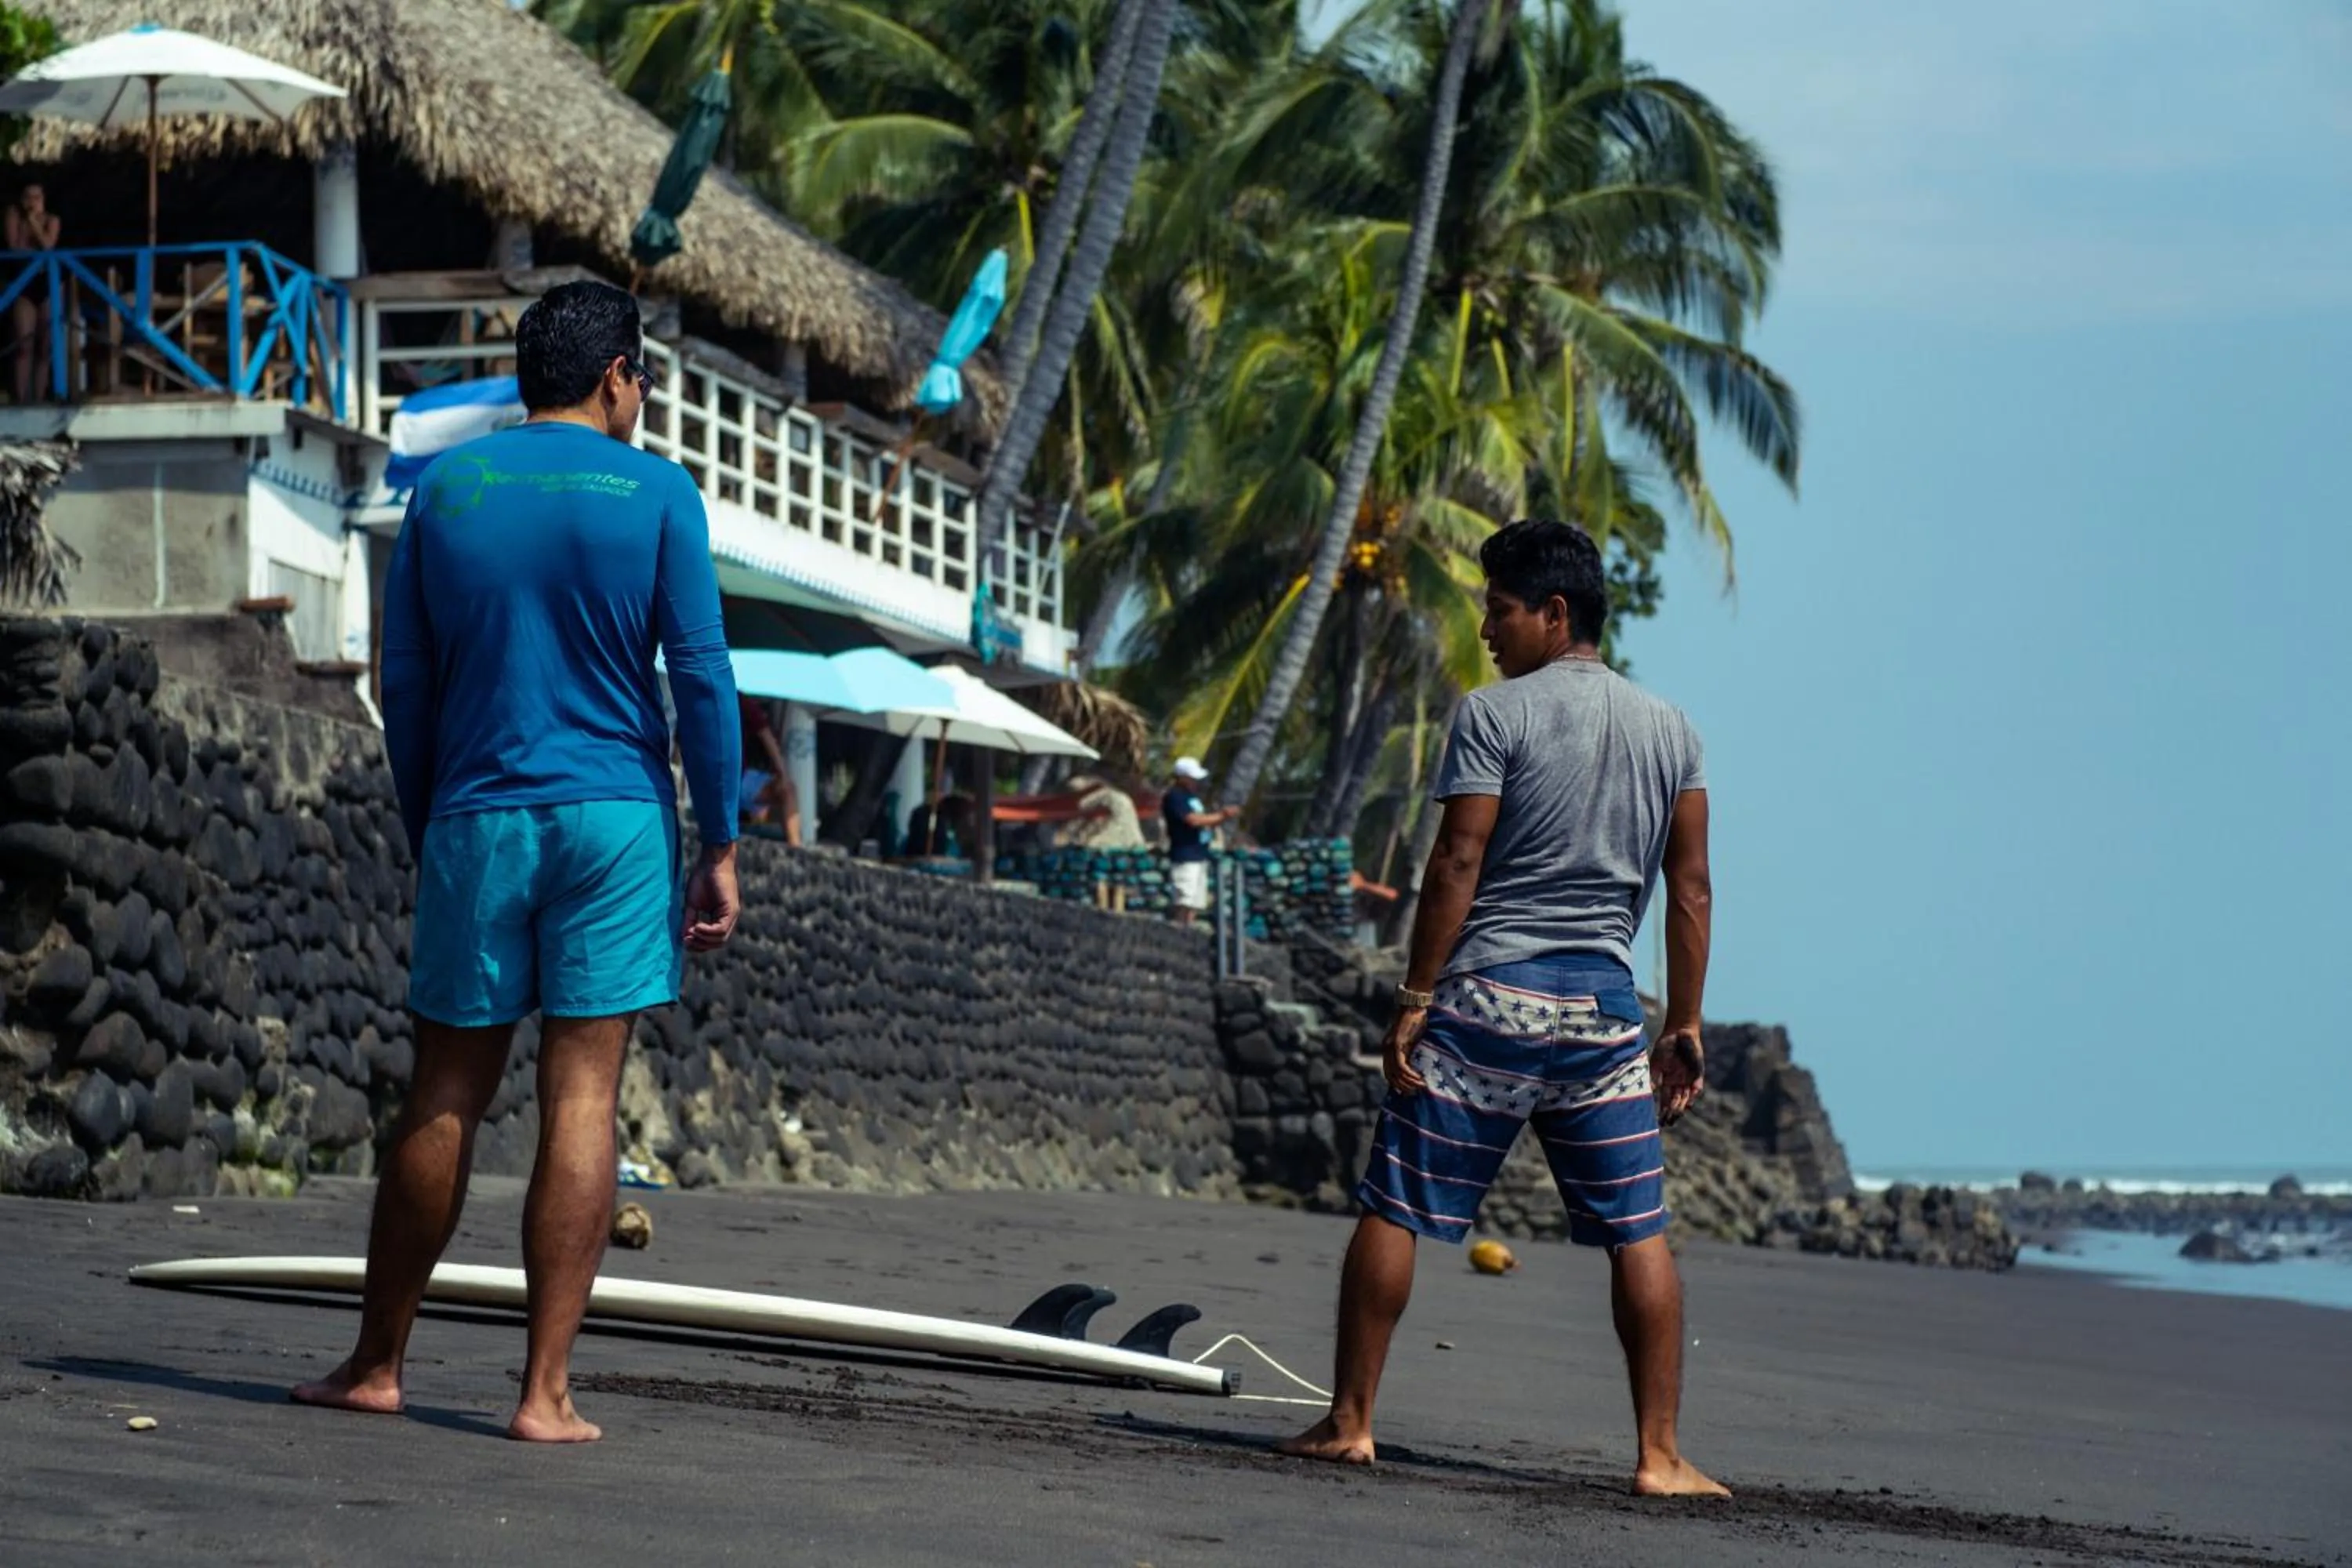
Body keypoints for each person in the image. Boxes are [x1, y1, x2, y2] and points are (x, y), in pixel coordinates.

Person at [292, 280, 742, 1444]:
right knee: (582, 1095)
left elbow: (407, 682)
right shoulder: (658, 492)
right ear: (617, 379)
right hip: (615, 822)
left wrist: (430, 820)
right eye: (643, 381)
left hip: (478, 814)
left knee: (446, 1086)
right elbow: (700, 679)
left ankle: (377, 1364)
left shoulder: (447, 489)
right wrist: (724, 843)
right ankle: (543, 1395)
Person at [1278, 518, 1725, 1499]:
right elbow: (1690, 889)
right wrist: (1684, 1024)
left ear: (1554, 614)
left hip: (1492, 994)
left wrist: (1414, 999)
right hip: (1605, 1015)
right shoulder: (1674, 730)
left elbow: (1457, 861)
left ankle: (1352, 1421)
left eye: (1500, 608)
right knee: (1637, 1227)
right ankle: (1660, 1455)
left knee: (1395, 1202)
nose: (1486, 628)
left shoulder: (1493, 715)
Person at [1162, 757, 1238, 927]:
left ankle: (1188, 930)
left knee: (1195, 902)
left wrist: (1220, 817)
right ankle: (1178, 931)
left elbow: (1204, 820)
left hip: (1199, 854)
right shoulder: (1175, 797)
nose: (1196, 781)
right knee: (1184, 899)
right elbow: (1193, 820)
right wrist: (1222, 816)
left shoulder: (1191, 798)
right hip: (1185, 854)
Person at [7, 184, 60, 405]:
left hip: (45, 282)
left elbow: (48, 246)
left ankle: (38, 397)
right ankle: (20, 398)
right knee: (24, 344)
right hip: (23, 282)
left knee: (44, 346)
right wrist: (26, 222)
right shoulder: (13, 215)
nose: (32, 201)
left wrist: (34, 223)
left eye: (37, 197)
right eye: (28, 197)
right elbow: (14, 247)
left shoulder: (52, 220)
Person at [737, 693, 802, 844]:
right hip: (725, 781)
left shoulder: (740, 700)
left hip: (740, 777)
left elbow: (765, 735)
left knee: (787, 789)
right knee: (786, 790)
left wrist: (783, 775)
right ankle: (794, 845)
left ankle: (795, 846)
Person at [1065, 772, 1145, 851]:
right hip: (1133, 847)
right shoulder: (1122, 799)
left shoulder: (1110, 797)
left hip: (1116, 849)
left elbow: (1083, 804)